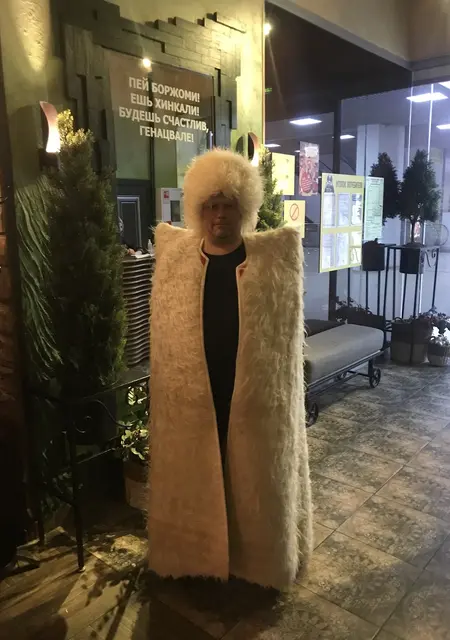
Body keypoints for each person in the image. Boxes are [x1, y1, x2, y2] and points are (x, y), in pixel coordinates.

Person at [147, 149, 311, 589]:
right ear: (198, 211)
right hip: (195, 391)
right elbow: (166, 336)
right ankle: (194, 554)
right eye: (211, 205)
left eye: (229, 205)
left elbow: (283, 346)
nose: (219, 215)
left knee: (250, 476)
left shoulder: (273, 265)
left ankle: (253, 559)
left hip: (251, 394)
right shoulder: (176, 264)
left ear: (245, 209)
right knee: (201, 469)